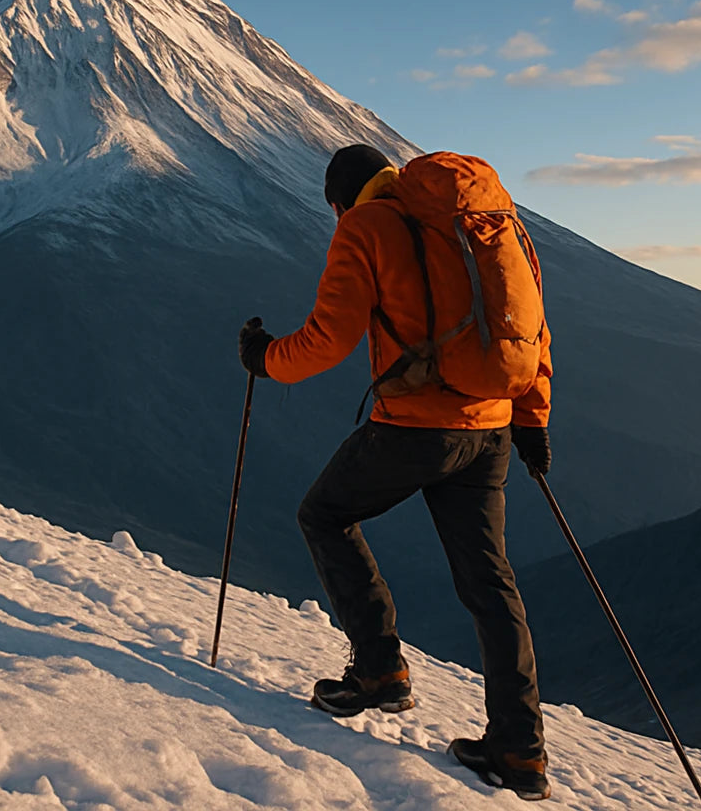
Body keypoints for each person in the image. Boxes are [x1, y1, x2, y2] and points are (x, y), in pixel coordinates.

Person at [238, 143, 555, 801]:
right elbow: (527, 324)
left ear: (338, 201)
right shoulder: (483, 217)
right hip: (492, 426)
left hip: (415, 428)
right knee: (491, 583)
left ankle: (379, 669)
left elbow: (330, 338)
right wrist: (532, 418)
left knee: (324, 514)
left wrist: (266, 359)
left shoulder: (366, 226)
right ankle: (520, 750)